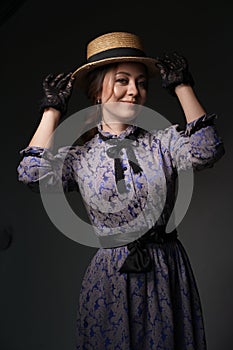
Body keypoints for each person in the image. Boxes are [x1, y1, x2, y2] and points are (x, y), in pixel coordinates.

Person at [17, 31, 225, 349]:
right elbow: (31, 174)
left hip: (166, 272)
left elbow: (208, 148)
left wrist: (183, 88)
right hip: (112, 280)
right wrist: (52, 111)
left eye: (141, 82)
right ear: (98, 90)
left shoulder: (163, 141)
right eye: (122, 81)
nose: (134, 91)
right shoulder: (80, 156)